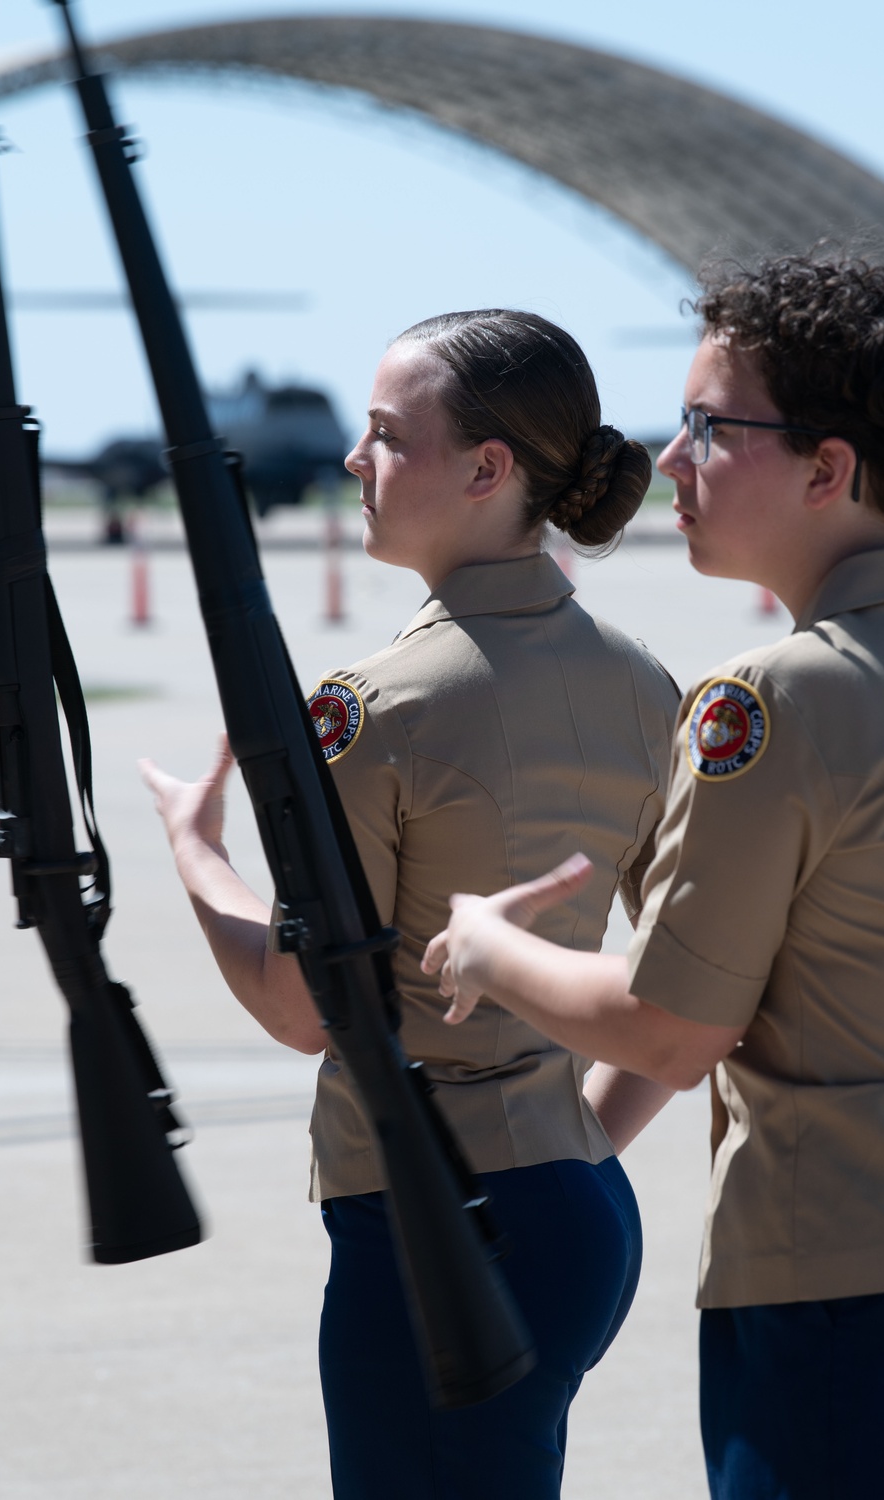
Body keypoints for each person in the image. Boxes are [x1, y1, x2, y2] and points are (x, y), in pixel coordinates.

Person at [423, 256, 884, 1500]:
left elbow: (671, 1027)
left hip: (840, 1293)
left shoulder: (768, 699)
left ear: (827, 471)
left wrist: (489, 950)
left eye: (711, 427)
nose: (668, 458)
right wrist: (578, 1155)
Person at [140, 309, 681, 1499]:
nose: (354, 459)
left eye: (387, 434)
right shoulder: (645, 683)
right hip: (583, 1204)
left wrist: (195, 855)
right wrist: (570, 1135)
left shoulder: (374, 707)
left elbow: (305, 1007)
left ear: (489, 471)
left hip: (433, 1232)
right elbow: (706, 989)